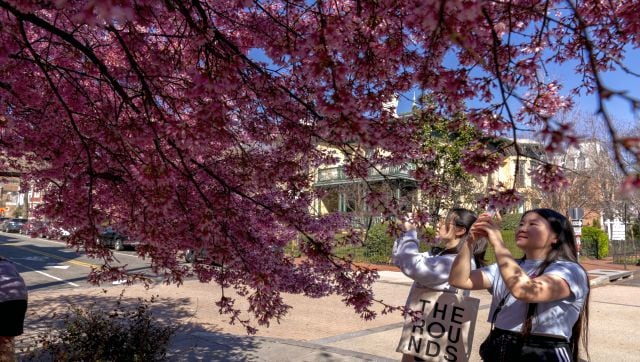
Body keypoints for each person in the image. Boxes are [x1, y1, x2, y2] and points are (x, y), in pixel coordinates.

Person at [449, 208, 589, 362]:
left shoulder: (569, 270)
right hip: (500, 345)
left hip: (543, 352)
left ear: (556, 237)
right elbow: (459, 280)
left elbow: (527, 291)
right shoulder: (506, 267)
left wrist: (497, 243)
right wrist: (470, 241)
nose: (522, 228)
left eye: (533, 224)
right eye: (521, 223)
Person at [392, 208, 488, 362]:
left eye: (445, 221)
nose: (438, 224)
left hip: (437, 330)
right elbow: (400, 260)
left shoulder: (453, 262)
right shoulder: (442, 255)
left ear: (460, 230)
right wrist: (402, 231)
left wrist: (410, 231)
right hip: (423, 326)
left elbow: (411, 265)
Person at [0, 256, 28, 362]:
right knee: (7, 339)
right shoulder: (8, 263)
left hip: (4, 299)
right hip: (19, 300)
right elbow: (21, 283)